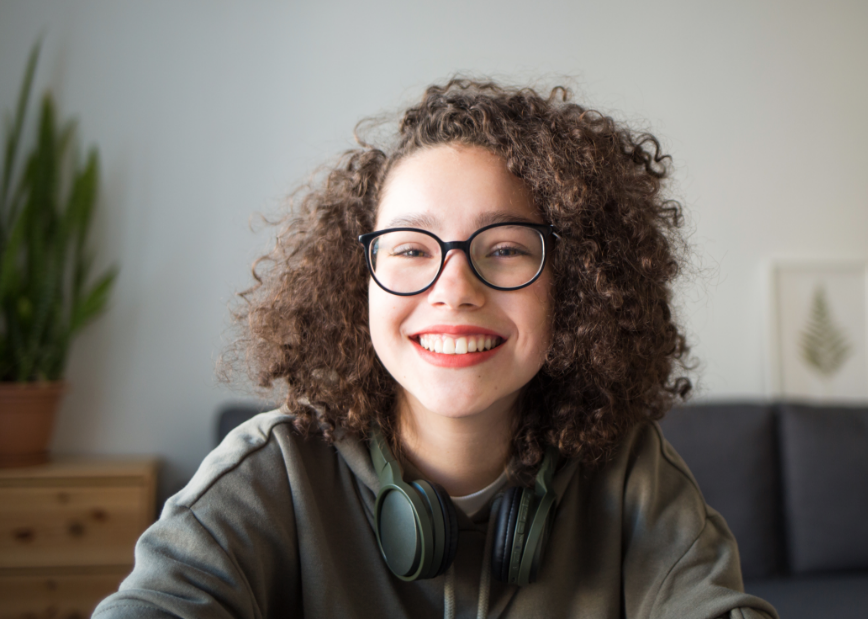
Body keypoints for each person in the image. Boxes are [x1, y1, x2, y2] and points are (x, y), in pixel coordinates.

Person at [94, 79, 779, 618]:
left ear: (574, 288)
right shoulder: (273, 473)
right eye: (411, 249)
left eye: (505, 248)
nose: (454, 288)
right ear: (354, 279)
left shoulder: (633, 474)